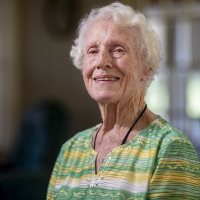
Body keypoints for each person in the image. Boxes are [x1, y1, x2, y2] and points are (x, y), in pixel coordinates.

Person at [47, 2, 200, 199]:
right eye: (93, 51)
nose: (102, 61)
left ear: (147, 67)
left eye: (118, 50)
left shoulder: (170, 149)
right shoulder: (70, 150)